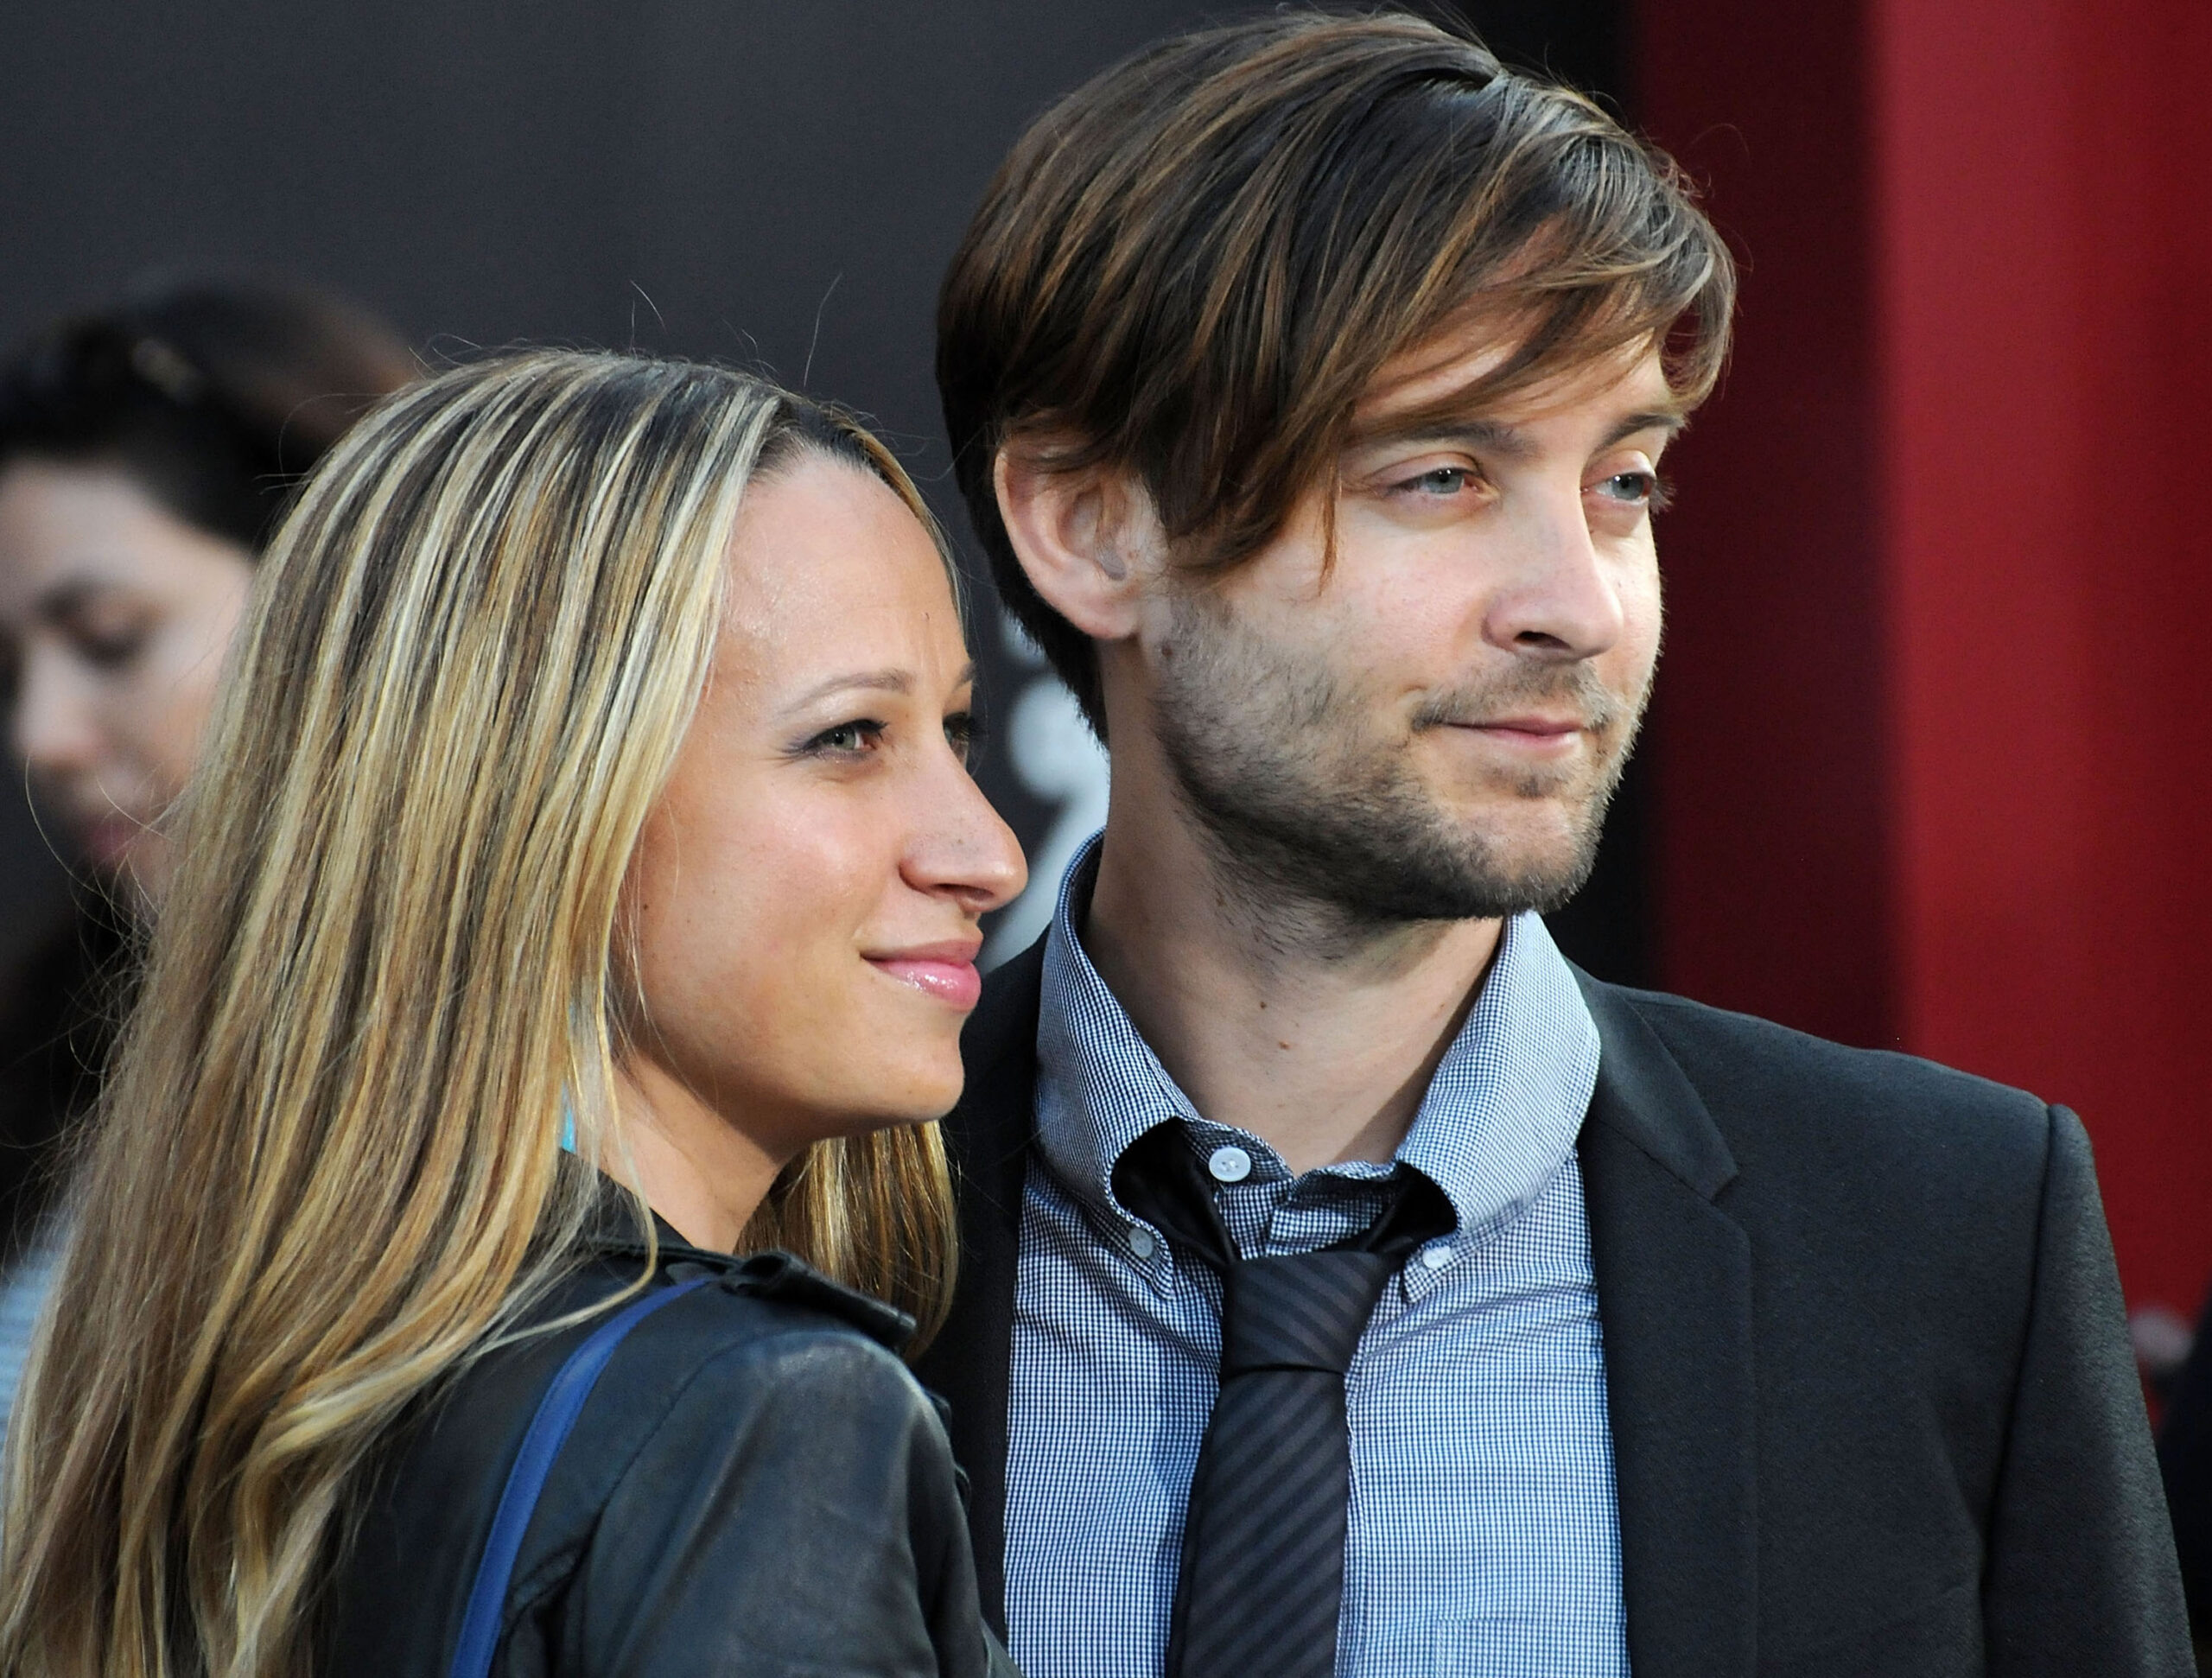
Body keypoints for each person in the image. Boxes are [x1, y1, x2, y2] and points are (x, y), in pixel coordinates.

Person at [914, 12, 2192, 1676]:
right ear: (1093, 526)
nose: (1580, 606)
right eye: (1442, 476)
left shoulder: (1945, 1238)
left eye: (1626, 483)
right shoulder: (806, 1219)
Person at [0, 352, 1025, 1678]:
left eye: (958, 731)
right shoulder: (764, 1417)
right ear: (539, 796)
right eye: (850, 738)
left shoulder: (211, 1410)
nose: (987, 852)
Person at [0, 277, 415, 1436]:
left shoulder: (554, 1080)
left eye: (110, 639)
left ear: (352, 604)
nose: (43, 736)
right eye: (13, 671)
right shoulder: (56, 1049)